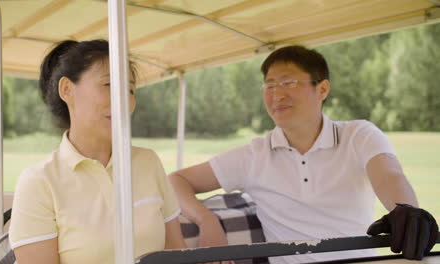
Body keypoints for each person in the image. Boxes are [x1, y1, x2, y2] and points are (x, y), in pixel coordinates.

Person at [168, 45, 438, 264]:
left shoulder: (359, 135)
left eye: (288, 82)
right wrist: (207, 220)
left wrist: (406, 210)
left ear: (322, 89)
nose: (276, 94)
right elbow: (176, 180)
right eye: (269, 85)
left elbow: (389, 175)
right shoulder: (253, 156)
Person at [9, 39, 186, 264]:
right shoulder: (39, 182)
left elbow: (176, 252)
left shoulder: (148, 162)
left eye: (130, 89)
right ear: (67, 90)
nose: (124, 100)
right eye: (109, 85)